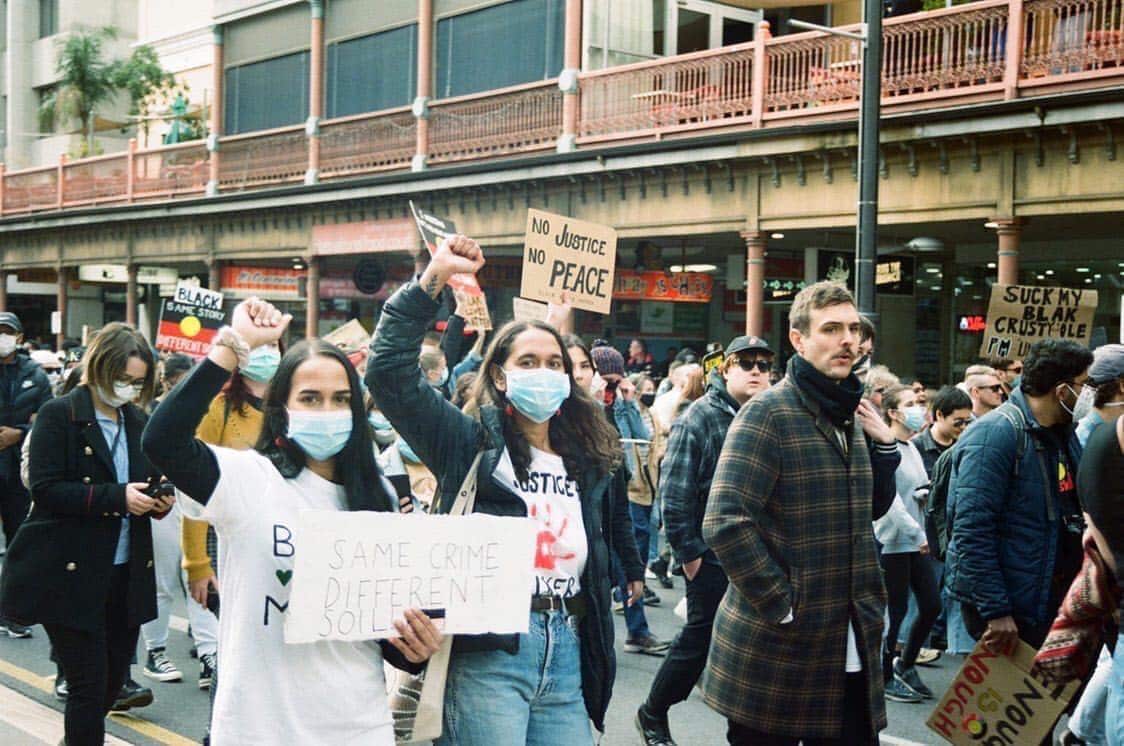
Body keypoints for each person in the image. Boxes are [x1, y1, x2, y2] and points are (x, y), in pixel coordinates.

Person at [368, 235, 645, 744]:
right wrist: (433, 279)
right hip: (489, 651)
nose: (545, 374)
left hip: (568, 646)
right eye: (528, 363)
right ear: (498, 375)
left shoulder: (589, 457)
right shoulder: (468, 441)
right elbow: (388, 373)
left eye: (555, 363)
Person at [143, 298, 441, 744]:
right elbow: (162, 440)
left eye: (341, 399)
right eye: (310, 398)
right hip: (259, 728)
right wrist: (232, 347)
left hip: (358, 727)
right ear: (281, 407)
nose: (327, 411)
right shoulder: (248, 479)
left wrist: (413, 650)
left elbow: (379, 628)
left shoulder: (377, 494)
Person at [701, 281, 900, 745]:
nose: (846, 340)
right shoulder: (767, 412)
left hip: (847, 638)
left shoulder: (848, 412)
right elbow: (726, 520)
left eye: (853, 329)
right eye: (830, 329)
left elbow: (865, 511)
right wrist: (784, 604)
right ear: (798, 339)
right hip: (779, 647)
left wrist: (885, 449)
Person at [0, 323, 167, 745]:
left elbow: (145, 483)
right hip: (70, 572)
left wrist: (158, 501)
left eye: (137, 381)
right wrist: (117, 498)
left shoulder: (137, 420)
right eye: (122, 378)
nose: (128, 388)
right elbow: (45, 487)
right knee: (88, 689)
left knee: (112, 683)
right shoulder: (61, 415)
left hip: (126, 572)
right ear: (99, 368)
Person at [636, 335, 774, 746]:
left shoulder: (771, 414)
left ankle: (743, 732)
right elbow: (675, 493)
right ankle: (653, 712)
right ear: (725, 368)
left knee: (754, 647)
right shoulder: (699, 416)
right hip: (712, 554)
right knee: (700, 638)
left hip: (761, 553)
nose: (755, 370)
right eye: (745, 362)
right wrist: (691, 556)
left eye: (763, 364)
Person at [945, 339, 1093, 658]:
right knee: (999, 705)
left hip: (1046, 599)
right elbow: (972, 530)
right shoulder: (995, 434)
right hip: (1011, 609)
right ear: (1062, 390)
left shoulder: (1062, 435)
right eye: (1085, 384)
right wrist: (996, 610)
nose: (1088, 394)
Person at [1059, 343, 1124, 746]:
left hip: (1103, 574)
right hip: (1101, 575)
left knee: (1111, 668)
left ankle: (1081, 732)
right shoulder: (1095, 441)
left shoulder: (1097, 439)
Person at [588, 342, 668, 655]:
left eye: (615, 379)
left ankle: (636, 629)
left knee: (624, 558)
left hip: (625, 486)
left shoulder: (621, 403)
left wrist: (626, 401)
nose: (610, 386)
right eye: (605, 379)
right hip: (596, 490)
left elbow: (641, 438)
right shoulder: (585, 404)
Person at [874, 384, 941, 704]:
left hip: (915, 542)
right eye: (911, 403)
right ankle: (885, 674)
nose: (919, 408)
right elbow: (889, 501)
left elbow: (912, 489)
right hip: (894, 542)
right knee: (895, 612)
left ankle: (907, 662)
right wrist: (918, 534)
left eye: (919, 402)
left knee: (931, 604)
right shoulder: (886, 448)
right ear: (892, 412)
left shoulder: (912, 447)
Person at [0, 311, 53, 639]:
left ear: (19, 338)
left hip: (17, 470)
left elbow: (48, 417)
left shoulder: (35, 374)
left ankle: (11, 611)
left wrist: (19, 432)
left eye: (8, 332)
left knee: (19, 541)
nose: (3, 338)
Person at [1075, 414, 1124, 746]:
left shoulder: (1104, 439)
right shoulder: (1103, 443)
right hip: (1116, 582)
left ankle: (1082, 733)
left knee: (1113, 669)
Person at [912, 386, 973, 476]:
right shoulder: (916, 447)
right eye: (958, 422)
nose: (963, 427)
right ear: (939, 414)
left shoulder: (965, 445)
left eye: (967, 421)